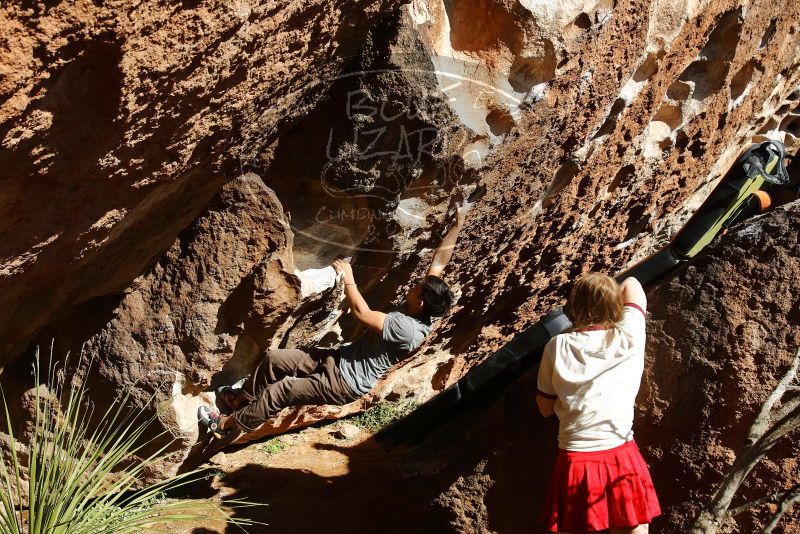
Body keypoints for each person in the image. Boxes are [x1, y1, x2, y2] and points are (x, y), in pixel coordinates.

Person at [198, 200, 471, 438]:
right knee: (275, 360)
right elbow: (439, 263)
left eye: (417, 288)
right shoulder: (423, 306)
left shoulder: (408, 329)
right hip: (338, 361)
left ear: (420, 301)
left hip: (345, 382)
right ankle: (241, 401)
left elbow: (362, 314)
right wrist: (457, 225)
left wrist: (348, 277)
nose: (415, 285)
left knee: (280, 392)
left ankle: (227, 425)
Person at [536, 273, 661, 533]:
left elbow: (545, 409)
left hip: (575, 460)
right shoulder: (629, 335)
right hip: (620, 452)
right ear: (615, 305)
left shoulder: (556, 346)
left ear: (574, 307)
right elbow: (633, 284)